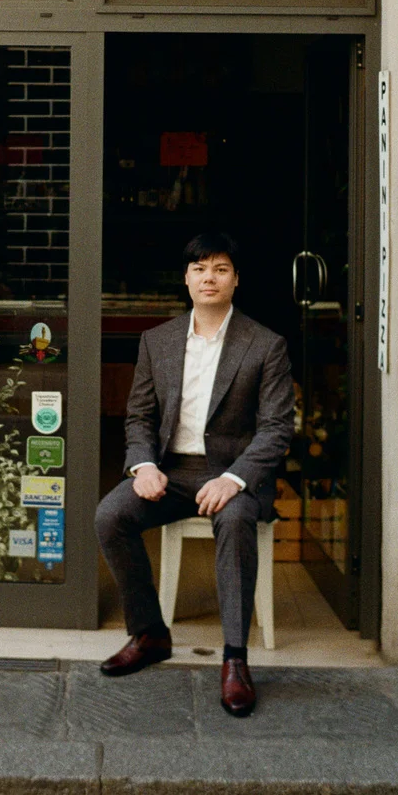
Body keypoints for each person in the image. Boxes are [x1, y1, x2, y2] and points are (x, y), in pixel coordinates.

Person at [94, 231, 293, 716]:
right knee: (110, 515)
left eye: (220, 269)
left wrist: (234, 479)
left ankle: (234, 658)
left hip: (232, 473)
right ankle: (149, 634)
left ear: (236, 279)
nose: (209, 278)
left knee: (236, 519)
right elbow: (139, 416)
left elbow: (276, 429)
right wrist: (143, 466)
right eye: (200, 269)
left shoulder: (266, 345)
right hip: (170, 471)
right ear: (186, 279)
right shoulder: (157, 341)